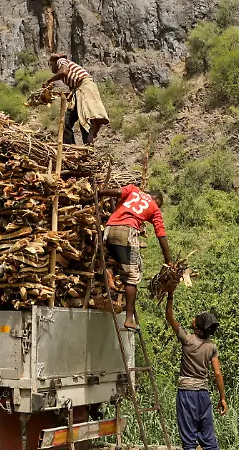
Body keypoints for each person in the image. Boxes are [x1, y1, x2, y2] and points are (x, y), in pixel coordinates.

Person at [99, 181, 171, 331]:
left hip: (109, 230)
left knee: (115, 257)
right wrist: (168, 260)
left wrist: (101, 193)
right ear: (156, 199)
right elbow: (161, 235)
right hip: (126, 232)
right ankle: (129, 319)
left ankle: (109, 273)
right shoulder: (154, 208)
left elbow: (118, 192)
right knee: (132, 277)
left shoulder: (134, 190)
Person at [164, 287, 226, 450]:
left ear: (197, 326)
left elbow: (169, 317)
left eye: (196, 318)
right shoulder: (212, 346)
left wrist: (170, 295)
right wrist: (223, 398)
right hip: (203, 395)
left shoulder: (187, 339)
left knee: (189, 440)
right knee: (208, 438)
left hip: (187, 394)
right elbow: (218, 373)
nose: (193, 318)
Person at [44, 53, 109, 145]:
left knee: (85, 120)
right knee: (67, 122)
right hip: (78, 91)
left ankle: (87, 146)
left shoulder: (61, 61)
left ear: (54, 62)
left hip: (85, 88)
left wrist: (49, 81)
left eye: (50, 65)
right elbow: (72, 88)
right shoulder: (66, 77)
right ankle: (71, 147)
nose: (51, 69)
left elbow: (64, 71)